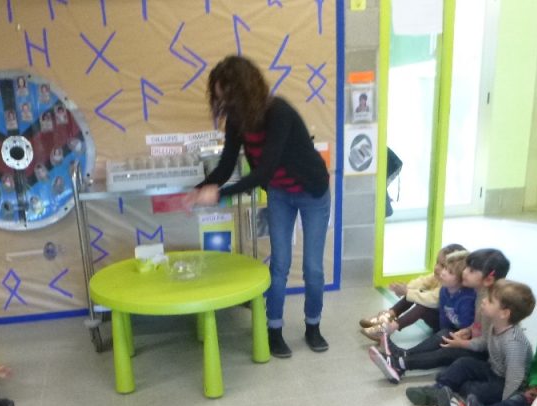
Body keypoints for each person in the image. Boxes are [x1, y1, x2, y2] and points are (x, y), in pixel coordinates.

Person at [191, 55, 331, 358]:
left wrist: (219, 194)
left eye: (228, 96)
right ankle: (274, 330)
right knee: (279, 265)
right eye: (220, 98)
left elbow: (265, 169)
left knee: (312, 268)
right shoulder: (237, 121)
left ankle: (313, 326)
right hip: (280, 193)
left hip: (312, 193)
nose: (224, 104)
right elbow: (226, 165)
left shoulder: (279, 113)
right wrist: (200, 189)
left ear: (245, 90)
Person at [369, 248, 510, 381]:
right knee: (445, 334)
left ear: (488, 280)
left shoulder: (489, 304)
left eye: (471, 270)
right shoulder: (480, 294)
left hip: (484, 356)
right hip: (473, 341)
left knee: (448, 352)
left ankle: (401, 363)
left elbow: (485, 343)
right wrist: (468, 330)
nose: (465, 272)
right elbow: (477, 325)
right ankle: (403, 355)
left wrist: (463, 343)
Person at [402, 279, 536, 406]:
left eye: (490, 300)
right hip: (493, 370)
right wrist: (464, 338)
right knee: (463, 363)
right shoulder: (495, 324)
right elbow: (484, 342)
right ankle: (439, 388)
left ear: (504, 313)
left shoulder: (513, 342)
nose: (484, 300)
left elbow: (514, 380)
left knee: (472, 390)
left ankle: (455, 401)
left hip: (507, 383)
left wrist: (505, 404)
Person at [358, 243, 467, 341]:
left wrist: (407, 292)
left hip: (446, 327)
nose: (437, 268)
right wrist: (406, 288)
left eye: (443, 266)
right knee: (416, 293)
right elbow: (423, 281)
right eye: (437, 262)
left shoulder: (449, 286)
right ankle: (388, 316)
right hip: (439, 318)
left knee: (423, 304)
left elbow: (432, 299)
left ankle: (390, 328)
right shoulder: (439, 277)